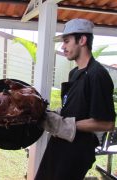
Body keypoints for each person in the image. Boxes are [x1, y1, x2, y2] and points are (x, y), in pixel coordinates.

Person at [35, 18, 116, 180]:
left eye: (66, 41)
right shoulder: (75, 73)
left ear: (82, 40)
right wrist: (57, 114)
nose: (63, 47)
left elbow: (107, 123)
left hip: (77, 151)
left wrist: (64, 124)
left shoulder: (97, 75)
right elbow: (73, 107)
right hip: (60, 144)